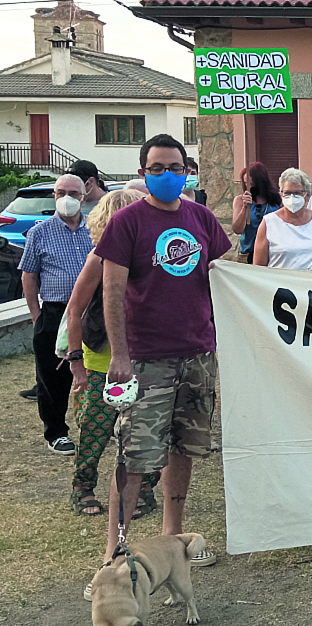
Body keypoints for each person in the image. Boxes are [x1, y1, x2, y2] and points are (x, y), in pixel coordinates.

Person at [94, 133, 232, 578]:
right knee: (134, 456)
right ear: (143, 173)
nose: (168, 176)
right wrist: (120, 354)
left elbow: (225, 273)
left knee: (183, 448)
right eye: (158, 169)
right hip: (146, 359)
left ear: (186, 171)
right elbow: (112, 293)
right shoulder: (127, 223)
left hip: (197, 354)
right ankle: (115, 552)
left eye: (175, 167)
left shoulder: (201, 218)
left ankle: (174, 535)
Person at [63, 189, 159, 518]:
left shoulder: (151, 257)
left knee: (146, 428)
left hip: (145, 356)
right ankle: (83, 486)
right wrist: (77, 364)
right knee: (96, 427)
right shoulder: (98, 259)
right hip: (102, 359)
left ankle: (144, 488)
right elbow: (74, 311)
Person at [20, 173, 92, 454]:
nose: (67, 199)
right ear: (54, 195)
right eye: (61, 192)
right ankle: (57, 432)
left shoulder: (94, 230)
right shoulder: (40, 232)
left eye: (73, 193)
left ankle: (98, 424)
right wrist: (37, 315)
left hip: (89, 312)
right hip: (55, 311)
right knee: (53, 375)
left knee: (93, 369)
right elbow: (29, 276)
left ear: (83, 197)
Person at [253, 168, 312, 269]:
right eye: (287, 193)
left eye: (297, 193)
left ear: (307, 195)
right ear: (281, 194)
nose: (292, 197)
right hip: (280, 283)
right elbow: (258, 267)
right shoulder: (269, 223)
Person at [231, 162, 281, 262]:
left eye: (252, 184)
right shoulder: (240, 201)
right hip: (249, 252)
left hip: (273, 252)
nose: (249, 187)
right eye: (246, 184)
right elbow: (237, 230)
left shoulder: (277, 201)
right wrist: (245, 208)